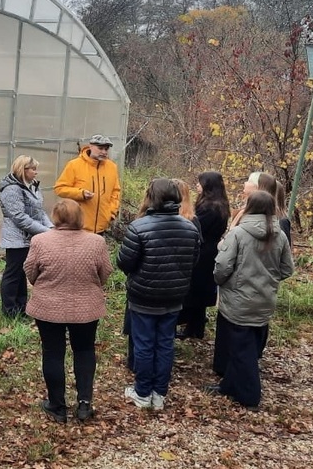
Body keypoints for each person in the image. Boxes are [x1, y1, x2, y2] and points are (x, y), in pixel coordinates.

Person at [25, 199, 112, 423]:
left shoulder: (40, 241)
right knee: (84, 351)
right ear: (80, 217)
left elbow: (31, 272)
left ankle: (57, 405)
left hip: (48, 307)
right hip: (86, 307)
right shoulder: (96, 242)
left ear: (55, 216)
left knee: (53, 352)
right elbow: (105, 272)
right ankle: (84, 404)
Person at [117, 178, 200, 410]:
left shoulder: (139, 227)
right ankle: (159, 394)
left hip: (143, 297)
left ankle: (143, 393)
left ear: (151, 197)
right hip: (174, 297)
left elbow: (125, 262)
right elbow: (194, 260)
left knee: (144, 344)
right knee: (165, 343)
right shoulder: (189, 227)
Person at [209, 191, 294, 409]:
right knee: (249, 344)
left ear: (250, 207)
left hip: (238, 299)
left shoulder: (238, 233)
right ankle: (229, 385)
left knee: (240, 350)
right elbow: (287, 269)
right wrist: (269, 280)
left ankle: (250, 396)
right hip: (265, 299)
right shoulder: (280, 235)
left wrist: (223, 282)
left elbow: (222, 266)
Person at [177, 171, 230, 340]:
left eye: (200, 183)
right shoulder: (220, 204)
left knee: (195, 292)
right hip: (211, 250)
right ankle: (195, 327)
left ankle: (192, 327)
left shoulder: (209, 208)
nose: (197, 185)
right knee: (200, 293)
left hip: (204, 252)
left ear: (208, 185)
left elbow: (197, 227)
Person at [0, 155, 52, 318]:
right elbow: (19, 218)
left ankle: (21, 308)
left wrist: (51, 227)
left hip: (30, 237)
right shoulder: (11, 190)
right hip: (17, 239)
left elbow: (39, 211)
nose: (36, 172)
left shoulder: (32, 186)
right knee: (13, 274)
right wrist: (46, 232)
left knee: (23, 273)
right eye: (33, 169)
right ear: (23, 170)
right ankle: (9, 310)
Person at [54, 134, 122, 234]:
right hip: (78, 226)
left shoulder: (112, 167)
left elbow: (115, 192)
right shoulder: (74, 165)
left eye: (106, 149)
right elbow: (59, 188)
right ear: (91, 146)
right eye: (100, 148)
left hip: (101, 227)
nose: (104, 152)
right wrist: (80, 193)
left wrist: (111, 213)